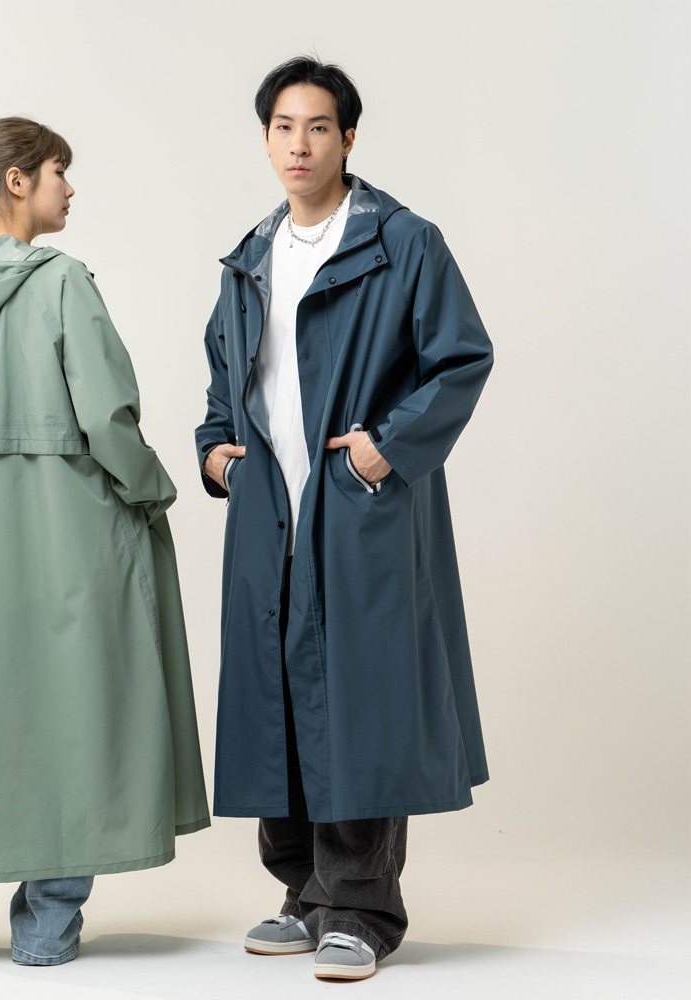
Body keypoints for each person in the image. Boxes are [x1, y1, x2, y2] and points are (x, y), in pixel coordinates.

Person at [0, 116, 209, 967]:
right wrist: (153, 490)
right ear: (17, 181)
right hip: (74, 539)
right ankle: (47, 928)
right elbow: (108, 420)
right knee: (80, 717)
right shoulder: (61, 284)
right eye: (60, 170)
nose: (70, 187)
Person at [194, 57, 493, 982]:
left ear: (348, 138)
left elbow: (461, 358)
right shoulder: (249, 258)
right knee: (279, 698)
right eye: (284, 127)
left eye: (318, 126)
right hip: (270, 514)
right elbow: (225, 379)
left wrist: (383, 450)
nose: (300, 144)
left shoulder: (402, 242)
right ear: (265, 140)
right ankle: (304, 893)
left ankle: (361, 909)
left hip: (357, 508)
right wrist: (215, 454)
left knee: (360, 704)